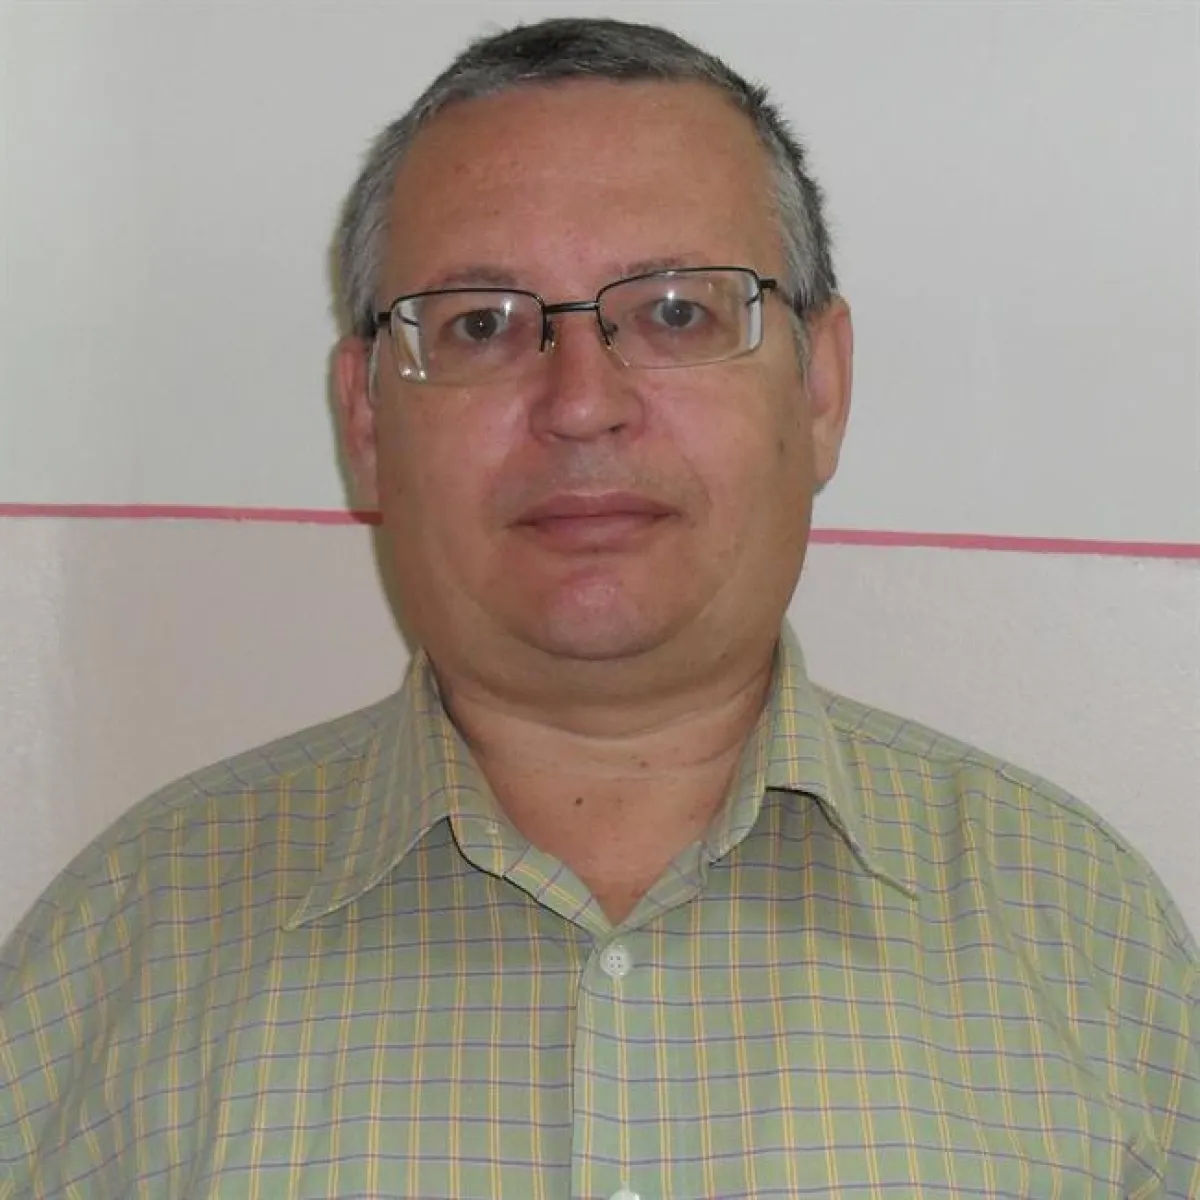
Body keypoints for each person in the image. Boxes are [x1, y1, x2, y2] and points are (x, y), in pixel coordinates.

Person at [1, 15, 1196, 1199]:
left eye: (678, 312)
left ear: (821, 388)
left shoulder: (1084, 938)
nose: (581, 403)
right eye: (481, 325)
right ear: (365, 419)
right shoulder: (115, 959)